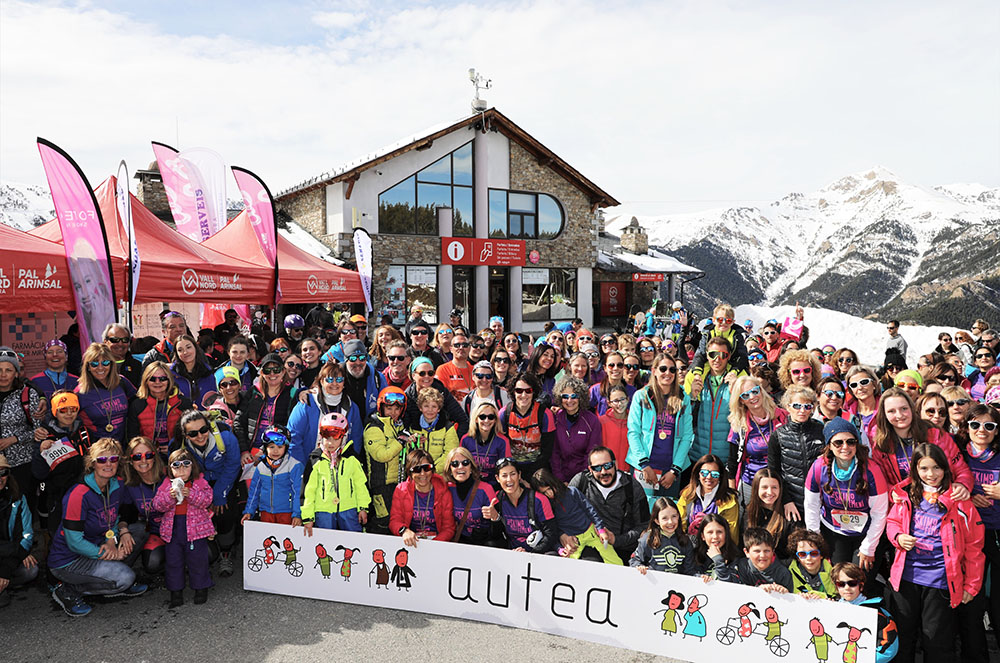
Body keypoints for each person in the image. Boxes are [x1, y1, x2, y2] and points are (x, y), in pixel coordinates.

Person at [886, 443, 984, 663]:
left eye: (937, 468)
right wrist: (899, 537)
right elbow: (892, 522)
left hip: (940, 581)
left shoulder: (960, 501)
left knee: (937, 642)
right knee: (903, 639)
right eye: (924, 468)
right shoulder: (905, 495)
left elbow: (974, 546)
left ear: (945, 469)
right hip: (905, 579)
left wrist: (972, 585)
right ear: (915, 470)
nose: (931, 474)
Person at [48, 438, 148, 617]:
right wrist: (108, 554)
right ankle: (68, 589)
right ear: (92, 463)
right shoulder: (78, 494)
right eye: (102, 460)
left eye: (113, 459)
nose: (108, 464)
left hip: (99, 542)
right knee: (126, 577)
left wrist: (115, 536)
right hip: (70, 559)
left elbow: (113, 518)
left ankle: (110, 578)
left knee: (139, 532)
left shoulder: (116, 484)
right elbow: (74, 542)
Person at [804, 419, 889, 572]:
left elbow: (880, 513)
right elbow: (811, 506)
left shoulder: (872, 470)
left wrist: (869, 547)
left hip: (865, 532)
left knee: (859, 579)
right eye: (838, 443)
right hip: (833, 531)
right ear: (829, 445)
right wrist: (815, 538)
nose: (845, 447)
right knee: (838, 579)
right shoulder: (818, 467)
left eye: (851, 442)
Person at [169, 410, 240, 578]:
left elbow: (232, 466)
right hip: (195, 482)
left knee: (225, 511)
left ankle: (226, 552)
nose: (200, 436)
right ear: (185, 435)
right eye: (193, 433)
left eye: (203, 430)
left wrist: (218, 495)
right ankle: (199, 550)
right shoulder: (178, 446)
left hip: (223, 479)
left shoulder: (226, 438)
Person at [869, 387, 973, 500]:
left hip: (939, 503)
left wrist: (963, 484)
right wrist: (891, 492)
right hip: (905, 507)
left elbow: (961, 469)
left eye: (904, 409)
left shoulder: (936, 435)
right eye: (891, 411)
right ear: (884, 414)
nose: (899, 415)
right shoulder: (880, 444)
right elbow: (879, 480)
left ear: (912, 409)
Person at [628, 352, 694, 505]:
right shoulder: (641, 396)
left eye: (672, 370)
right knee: (643, 512)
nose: (668, 373)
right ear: (654, 371)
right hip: (644, 468)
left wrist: (674, 470)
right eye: (663, 369)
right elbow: (633, 432)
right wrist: (644, 464)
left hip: (670, 470)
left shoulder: (683, 398)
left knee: (668, 513)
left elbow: (687, 436)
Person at [961, 403, 1000, 659]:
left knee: (997, 601)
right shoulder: (958, 455)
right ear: (967, 427)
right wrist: (968, 497)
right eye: (975, 424)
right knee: (970, 603)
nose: (981, 430)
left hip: (996, 533)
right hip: (967, 536)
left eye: (989, 425)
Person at [153, 448, 215, 607]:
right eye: (176, 466)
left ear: (192, 466)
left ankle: (201, 588)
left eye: (186, 465)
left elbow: (207, 500)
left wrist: (191, 494)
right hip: (173, 531)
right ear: (170, 469)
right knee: (174, 562)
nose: (181, 470)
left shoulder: (199, 482)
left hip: (196, 531)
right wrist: (170, 496)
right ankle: (176, 591)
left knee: (198, 561)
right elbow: (157, 505)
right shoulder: (167, 484)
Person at [568, 446, 649, 562]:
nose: (603, 472)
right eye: (597, 468)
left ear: (615, 464)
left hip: (623, 549)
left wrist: (616, 540)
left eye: (607, 466)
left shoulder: (632, 487)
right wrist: (564, 536)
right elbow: (563, 512)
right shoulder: (581, 482)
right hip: (589, 545)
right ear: (590, 469)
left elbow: (644, 526)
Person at [32, 391, 93, 539]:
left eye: (73, 409)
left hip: (82, 490)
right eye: (63, 410)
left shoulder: (84, 431)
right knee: (58, 534)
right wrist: (41, 451)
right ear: (54, 412)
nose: (69, 414)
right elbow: (38, 473)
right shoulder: (45, 435)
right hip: (56, 494)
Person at [532, 468, 621, 564]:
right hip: (573, 541)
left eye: (549, 489)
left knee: (613, 560)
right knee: (569, 567)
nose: (549, 494)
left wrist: (600, 529)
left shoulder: (572, 492)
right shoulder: (547, 506)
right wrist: (559, 548)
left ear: (554, 482)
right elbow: (553, 530)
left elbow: (590, 510)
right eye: (544, 492)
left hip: (591, 532)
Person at [767, 385, 826, 524]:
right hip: (792, 502)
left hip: (820, 500)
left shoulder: (821, 430)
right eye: (797, 405)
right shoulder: (778, 435)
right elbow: (774, 472)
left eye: (807, 406)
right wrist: (786, 500)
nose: (802, 411)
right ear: (788, 407)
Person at [301, 414, 369, 533]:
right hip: (323, 511)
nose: (330, 443)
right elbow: (308, 491)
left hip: (349, 509)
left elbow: (361, 485)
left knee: (353, 541)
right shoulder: (315, 460)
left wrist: (363, 507)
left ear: (344, 437)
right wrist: (308, 516)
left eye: (336, 438)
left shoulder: (352, 458)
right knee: (324, 543)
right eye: (327, 438)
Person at [684, 337, 744, 471]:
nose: (717, 359)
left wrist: (736, 391)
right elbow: (684, 413)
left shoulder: (738, 380)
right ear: (707, 355)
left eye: (723, 355)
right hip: (697, 456)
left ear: (728, 357)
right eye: (713, 354)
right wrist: (692, 397)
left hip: (725, 459)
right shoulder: (695, 378)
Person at [727, 375, 787, 506]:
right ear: (741, 401)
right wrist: (732, 494)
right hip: (751, 483)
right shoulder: (739, 424)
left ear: (761, 390)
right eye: (745, 395)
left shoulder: (782, 416)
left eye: (755, 391)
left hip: (778, 483)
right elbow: (732, 462)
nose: (752, 397)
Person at [287, 362, 364, 465]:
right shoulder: (307, 403)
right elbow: (293, 437)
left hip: (340, 468)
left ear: (344, 383)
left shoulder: (351, 407)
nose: (335, 384)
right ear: (321, 381)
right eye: (330, 379)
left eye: (339, 380)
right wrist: (303, 467)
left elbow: (356, 439)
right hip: (309, 465)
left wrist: (349, 465)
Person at [363, 387, 411, 535]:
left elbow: (406, 452)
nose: (393, 412)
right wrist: (401, 441)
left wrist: (413, 441)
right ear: (381, 407)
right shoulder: (373, 427)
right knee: (383, 521)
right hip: (381, 484)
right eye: (389, 408)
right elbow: (382, 455)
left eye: (397, 409)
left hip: (399, 483)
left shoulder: (401, 426)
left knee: (399, 521)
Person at [482, 458, 556, 553]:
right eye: (504, 476)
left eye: (513, 474)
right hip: (511, 551)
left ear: (519, 475)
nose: (509, 480)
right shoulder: (498, 498)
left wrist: (529, 554)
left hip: (536, 553)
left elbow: (551, 534)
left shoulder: (539, 500)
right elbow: (496, 537)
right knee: (490, 545)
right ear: (497, 478)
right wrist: (495, 518)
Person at [119, 436, 166, 577]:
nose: (144, 461)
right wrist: (124, 531)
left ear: (154, 456)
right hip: (155, 532)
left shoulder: (168, 474)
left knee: (208, 554)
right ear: (130, 461)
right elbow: (126, 514)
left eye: (148, 455)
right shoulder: (130, 484)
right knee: (152, 564)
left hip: (178, 530)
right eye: (137, 457)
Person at [126, 362, 192, 458]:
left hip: (177, 455)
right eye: (152, 379)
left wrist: (173, 446)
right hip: (148, 456)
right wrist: (149, 449)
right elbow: (133, 437)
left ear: (169, 380)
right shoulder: (137, 405)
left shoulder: (182, 403)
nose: (158, 382)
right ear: (146, 381)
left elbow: (190, 434)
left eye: (162, 378)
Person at [390, 449, 456, 544]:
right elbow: (395, 520)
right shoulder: (401, 490)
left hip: (437, 543)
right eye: (416, 469)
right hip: (411, 542)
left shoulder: (444, 491)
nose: (422, 473)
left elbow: (448, 528)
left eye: (427, 468)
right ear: (410, 473)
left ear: (432, 470)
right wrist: (404, 531)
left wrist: (434, 544)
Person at [498, 372, 555, 479]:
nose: (523, 395)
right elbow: (501, 447)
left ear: (533, 392)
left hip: (538, 467)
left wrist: (530, 475)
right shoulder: (504, 413)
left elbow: (547, 451)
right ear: (513, 392)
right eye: (519, 391)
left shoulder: (545, 414)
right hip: (512, 468)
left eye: (528, 391)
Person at [74, 343, 135, 445]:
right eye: (94, 363)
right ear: (88, 366)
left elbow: (139, 405)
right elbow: (66, 420)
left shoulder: (121, 382)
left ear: (111, 364)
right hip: (97, 452)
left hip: (124, 447)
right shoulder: (80, 392)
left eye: (105, 362)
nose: (100, 367)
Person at [242, 426, 304, 526]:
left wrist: (297, 514)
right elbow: (254, 491)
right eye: (271, 447)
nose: (275, 451)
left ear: (286, 447)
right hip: (266, 512)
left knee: (285, 539)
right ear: (265, 448)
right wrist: (249, 511)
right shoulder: (261, 466)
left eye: (280, 447)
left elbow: (298, 492)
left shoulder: (294, 465)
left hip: (287, 512)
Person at [236, 353, 293, 461]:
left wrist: (265, 451)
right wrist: (244, 451)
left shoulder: (291, 394)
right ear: (261, 372)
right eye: (267, 370)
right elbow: (238, 422)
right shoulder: (253, 392)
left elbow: (290, 427)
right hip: (250, 451)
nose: (272, 374)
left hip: (277, 451)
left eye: (276, 370)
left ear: (283, 371)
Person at [0, 453, 38, 608]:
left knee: (31, 570)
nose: (0, 477)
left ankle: (3, 583)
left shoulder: (17, 498)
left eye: (3, 472)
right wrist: (20, 552)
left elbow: (26, 537)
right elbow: (20, 548)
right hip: (11, 551)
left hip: (8, 556)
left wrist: (5, 569)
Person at [444, 447, 501, 545]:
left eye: (465, 463)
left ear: (471, 467)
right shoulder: (447, 489)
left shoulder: (486, 489)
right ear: (449, 469)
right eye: (455, 464)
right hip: (460, 543)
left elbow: (499, 532)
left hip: (485, 544)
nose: (460, 467)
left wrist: (495, 517)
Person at [551, 376, 602, 483]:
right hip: (561, 478)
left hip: (585, 478)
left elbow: (591, 454)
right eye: (565, 396)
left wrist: (579, 480)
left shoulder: (592, 420)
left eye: (574, 396)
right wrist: (561, 480)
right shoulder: (555, 418)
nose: (569, 400)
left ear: (581, 397)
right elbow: (554, 454)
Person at [677, 453, 739, 539]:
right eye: (704, 473)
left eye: (715, 474)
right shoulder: (687, 494)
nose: (709, 477)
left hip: (717, 546)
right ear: (698, 474)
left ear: (720, 477)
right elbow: (680, 525)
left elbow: (731, 534)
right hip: (690, 544)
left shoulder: (729, 500)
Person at [630, 496, 694, 574]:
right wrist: (639, 566)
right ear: (657, 520)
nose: (670, 522)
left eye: (674, 516)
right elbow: (634, 560)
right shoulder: (648, 539)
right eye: (665, 518)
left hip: (676, 585)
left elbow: (690, 570)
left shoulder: (685, 541)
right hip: (654, 584)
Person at [407, 387, 459, 474]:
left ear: (439, 409)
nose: (430, 410)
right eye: (426, 406)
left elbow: (450, 453)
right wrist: (412, 443)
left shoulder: (447, 427)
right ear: (420, 408)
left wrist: (432, 469)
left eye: (434, 406)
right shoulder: (413, 427)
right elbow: (409, 453)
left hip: (439, 474)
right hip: (419, 473)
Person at [739, 468, 789, 555]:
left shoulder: (787, 514)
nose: (770, 492)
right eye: (764, 487)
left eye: (774, 487)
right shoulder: (749, 512)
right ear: (756, 489)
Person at [459, 402, 510, 488]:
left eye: (491, 417)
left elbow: (506, 469)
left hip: (495, 486)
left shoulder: (502, 441)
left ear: (495, 420)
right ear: (476, 419)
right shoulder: (466, 440)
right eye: (482, 417)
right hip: (471, 485)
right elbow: (461, 467)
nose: (486, 420)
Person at [733, 527, 793, 593]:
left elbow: (791, 599)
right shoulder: (742, 566)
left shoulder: (783, 573)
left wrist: (786, 593)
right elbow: (740, 593)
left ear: (773, 551)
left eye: (767, 551)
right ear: (746, 552)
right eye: (757, 551)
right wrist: (758, 590)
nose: (762, 555)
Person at [342, 339, 387, 421]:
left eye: (362, 358)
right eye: (353, 358)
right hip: (343, 424)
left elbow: (385, 405)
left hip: (370, 425)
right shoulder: (337, 376)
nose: (358, 363)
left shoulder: (378, 378)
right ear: (346, 359)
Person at [786, 528, 837, 599]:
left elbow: (838, 597)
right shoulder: (788, 573)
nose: (808, 558)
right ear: (797, 557)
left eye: (814, 553)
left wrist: (822, 597)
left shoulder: (834, 573)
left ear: (821, 555)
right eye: (802, 554)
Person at [691, 513, 738, 581]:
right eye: (710, 532)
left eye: (719, 532)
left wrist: (718, 561)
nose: (715, 536)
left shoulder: (735, 558)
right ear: (702, 536)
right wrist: (700, 578)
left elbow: (730, 584)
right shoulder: (694, 555)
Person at [435, 330, 474, 402]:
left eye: (465, 345)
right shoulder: (442, 370)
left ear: (469, 348)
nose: (461, 348)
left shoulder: (475, 370)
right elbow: (439, 397)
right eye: (457, 345)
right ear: (451, 349)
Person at [598, 385, 630, 472]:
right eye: (615, 401)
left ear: (628, 399)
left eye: (622, 399)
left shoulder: (634, 422)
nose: (619, 404)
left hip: (628, 471)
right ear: (609, 403)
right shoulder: (601, 421)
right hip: (607, 471)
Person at [102, 324, 142, 388]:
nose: (120, 344)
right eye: (115, 340)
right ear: (105, 342)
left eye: (125, 340)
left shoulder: (138, 367)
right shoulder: (96, 366)